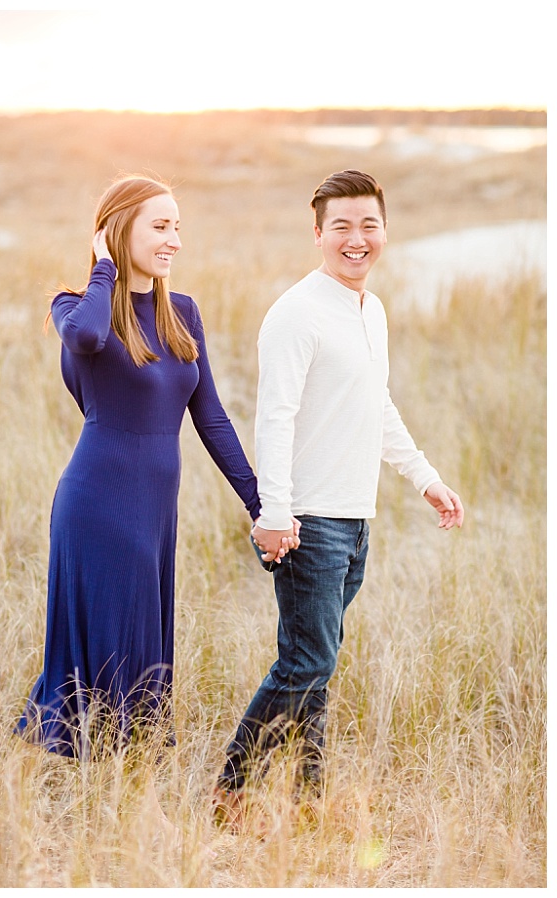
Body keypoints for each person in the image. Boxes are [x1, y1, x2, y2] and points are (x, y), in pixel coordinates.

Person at [213, 170, 464, 824]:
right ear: (318, 233)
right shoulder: (296, 312)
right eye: (343, 227)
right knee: (307, 662)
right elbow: (275, 417)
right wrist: (273, 513)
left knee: (313, 665)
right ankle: (232, 787)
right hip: (308, 523)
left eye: (369, 225)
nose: (357, 239)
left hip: (356, 520)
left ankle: (309, 798)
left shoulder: (370, 310)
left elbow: (376, 406)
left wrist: (427, 479)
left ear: (384, 230)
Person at [16, 176, 289, 760]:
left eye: (177, 228)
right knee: (113, 647)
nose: (174, 242)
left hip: (156, 511)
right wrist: (102, 268)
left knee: (145, 649)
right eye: (159, 227)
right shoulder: (74, 308)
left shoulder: (183, 313)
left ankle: (128, 771)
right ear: (118, 231)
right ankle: (98, 778)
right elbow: (88, 336)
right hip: (98, 504)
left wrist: (261, 503)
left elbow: (211, 417)